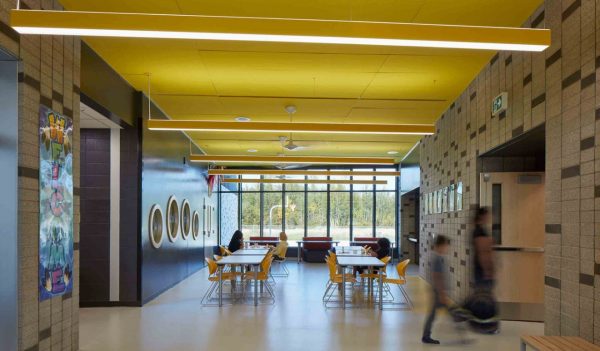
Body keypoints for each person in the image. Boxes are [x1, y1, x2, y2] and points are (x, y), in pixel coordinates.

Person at [422, 235, 450, 345]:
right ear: (440, 246)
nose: (446, 248)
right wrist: (442, 294)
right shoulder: (437, 258)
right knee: (433, 314)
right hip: (438, 292)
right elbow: (437, 277)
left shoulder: (436, 257)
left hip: (438, 291)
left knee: (434, 314)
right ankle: (426, 336)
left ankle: (426, 335)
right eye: (445, 246)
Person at [472, 207, 494, 289]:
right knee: (483, 296)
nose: (489, 218)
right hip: (482, 271)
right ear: (482, 216)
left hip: (480, 270)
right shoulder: (479, 231)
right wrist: (487, 271)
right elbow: (482, 252)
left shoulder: (478, 230)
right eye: (487, 216)